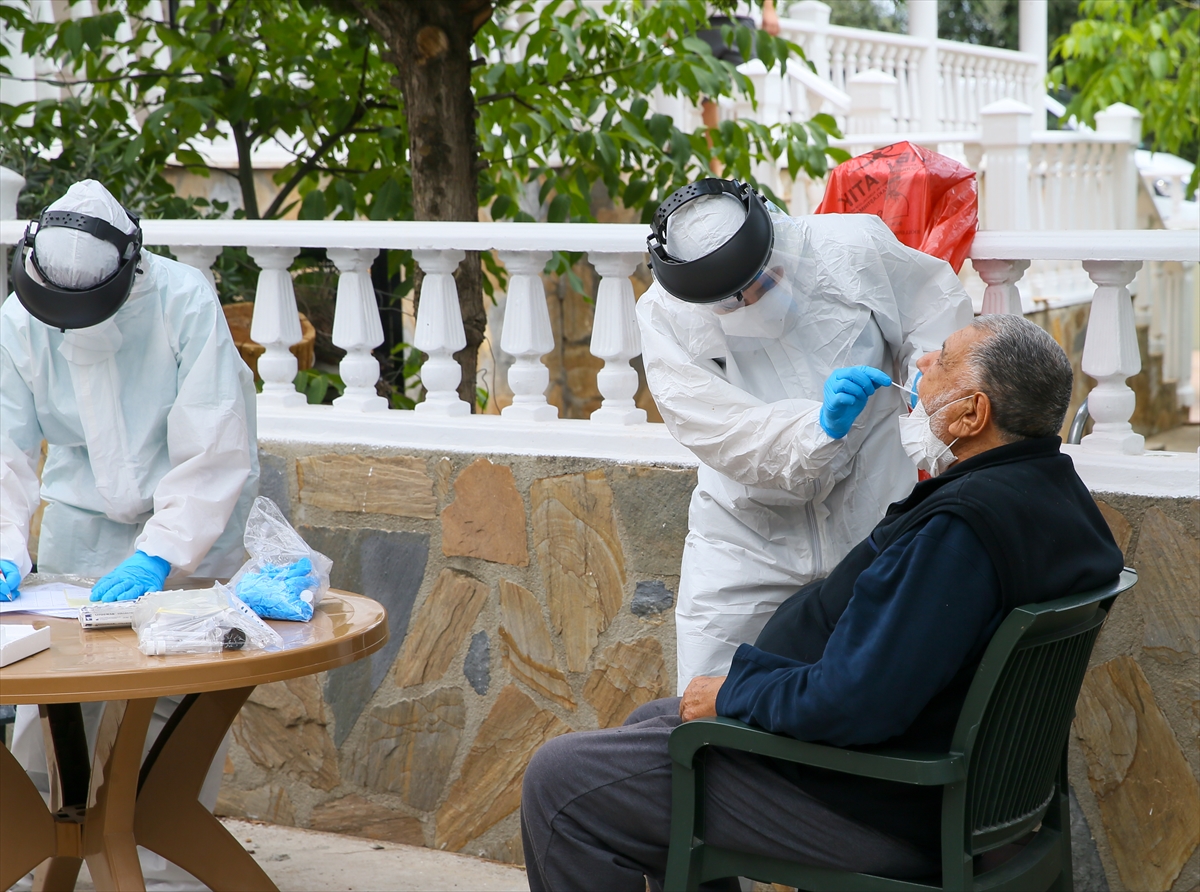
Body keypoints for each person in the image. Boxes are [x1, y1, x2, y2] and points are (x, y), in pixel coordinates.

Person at [521, 315, 1125, 892]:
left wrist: (737, 694)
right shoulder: (1052, 492)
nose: (920, 363)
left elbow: (858, 703)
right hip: (935, 785)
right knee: (653, 721)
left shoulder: (963, 532)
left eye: (941, 361)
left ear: (972, 413)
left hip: (874, 800)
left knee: (562, 783)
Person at [0, 179, 258, 888]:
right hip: (80, 524)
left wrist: (160, 554)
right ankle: (34, 857)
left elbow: (211, 444)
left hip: (187, 520)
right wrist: (2, 546)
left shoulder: (183, 301)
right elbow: (5, 450)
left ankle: (155, 865)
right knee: (48, 698)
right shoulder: (19, 321)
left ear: (131, 268)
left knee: (173, 696)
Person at [638, 177, 972, 691]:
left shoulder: (850, 248)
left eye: (763, 282)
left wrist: (928, 388)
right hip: (746, 540)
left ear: (776, 239)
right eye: (731, 302)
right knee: (707, 701)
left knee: (871, 694)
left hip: (872, 524)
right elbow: (719, 429)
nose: (752, 302)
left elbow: (933, 315)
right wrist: (815, 429)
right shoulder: (667, 316)